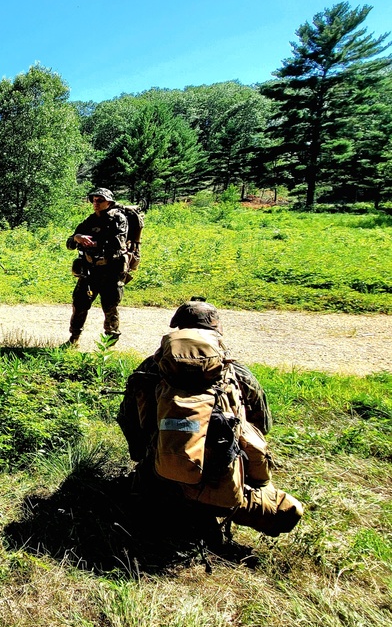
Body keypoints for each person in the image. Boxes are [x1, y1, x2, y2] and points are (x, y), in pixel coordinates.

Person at [117, 300, 303, 538]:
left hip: (157, 477)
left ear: (177, 329)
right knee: (285, 509)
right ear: (217, 331)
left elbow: (128, 420)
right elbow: (262, 425)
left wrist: (147, 454)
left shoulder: (151, 368)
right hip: (221, 481)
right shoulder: (236, 373)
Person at [65, 187, 129, 347]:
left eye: (100, 200)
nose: (96, 203)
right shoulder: (90, 220)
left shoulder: (118, 219)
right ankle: (74, 338)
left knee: (110, 307)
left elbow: (119, 242)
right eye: (94, 200)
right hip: (89, 271)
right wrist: (77, 238)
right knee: (79, 304)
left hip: (110, 271)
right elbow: (70, 244)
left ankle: (109, 343)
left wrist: (97, 243)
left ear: (109, 202)